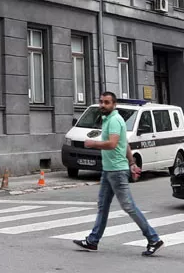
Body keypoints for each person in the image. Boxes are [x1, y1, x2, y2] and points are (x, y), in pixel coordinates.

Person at [73, 92, 163, 256]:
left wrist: (93, 143)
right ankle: (93, 241)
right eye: (101, 102)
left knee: (128, 206)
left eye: (106, 102)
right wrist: (132, 163)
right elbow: (125, 143)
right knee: (103, 206)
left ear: (114, 105)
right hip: (109, 170)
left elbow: (113, 144)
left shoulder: (114, 120)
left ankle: (153, 238)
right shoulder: (109, 119)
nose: (102, 105)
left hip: (116, 171)